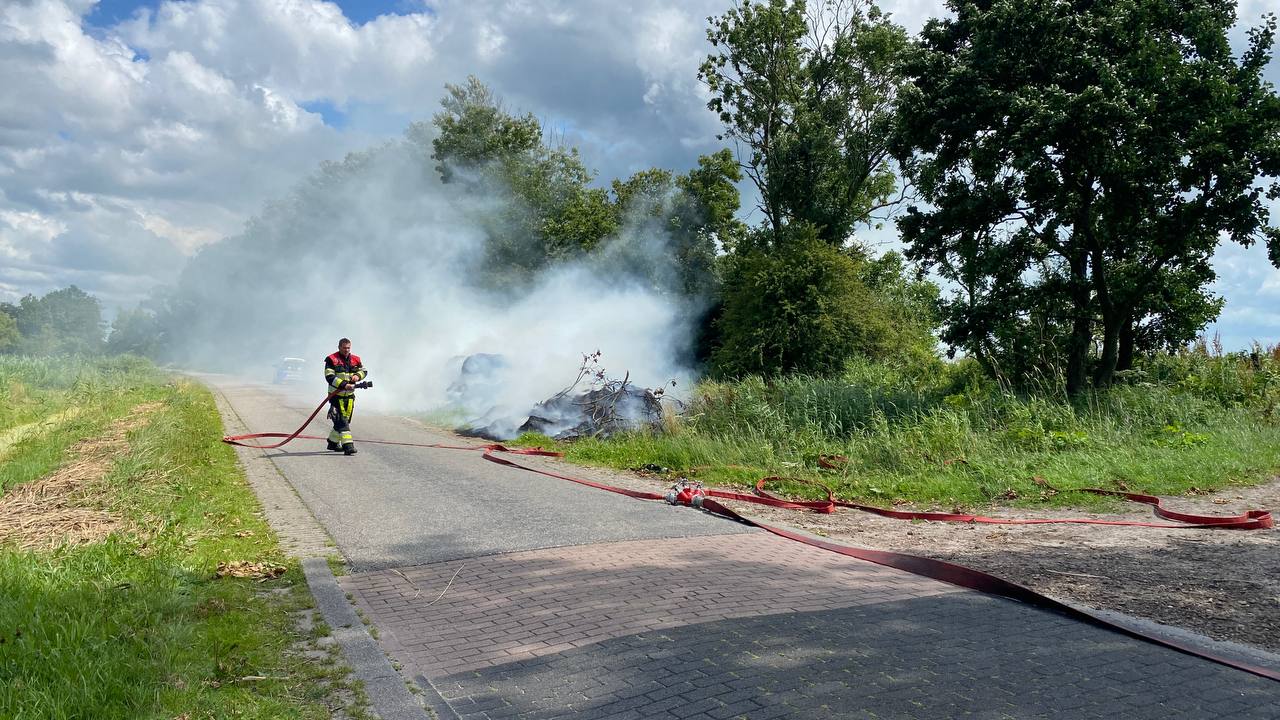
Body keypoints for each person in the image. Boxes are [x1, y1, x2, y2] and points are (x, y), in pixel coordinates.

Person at [323, 338, 368, 455]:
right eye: (344, 348)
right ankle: (348, 446)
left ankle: (332, 443)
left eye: (348, 348)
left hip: (349, 397)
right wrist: (344, 385)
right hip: (336, 396)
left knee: (344, 421)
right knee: (343, 422)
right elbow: (329, 377)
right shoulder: (331, 359)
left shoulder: (355, 359)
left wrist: (358, 376)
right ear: (339, 347)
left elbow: (364, 371)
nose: (346, 350)